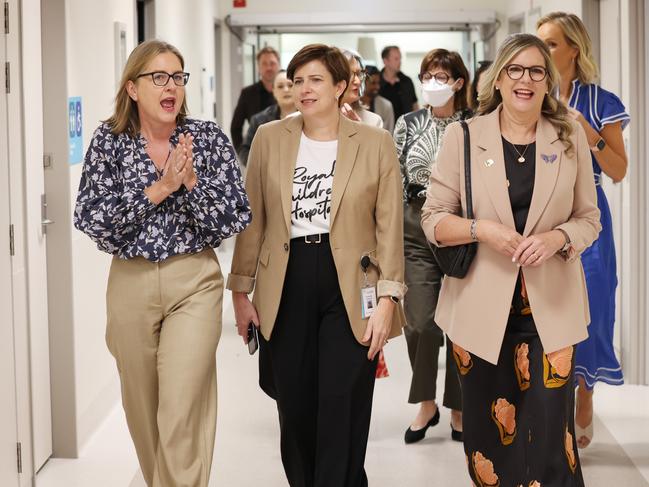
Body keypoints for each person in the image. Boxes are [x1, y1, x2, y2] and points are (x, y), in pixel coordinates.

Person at [421, 33, 601, 486]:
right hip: (480, 311)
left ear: (548, 82)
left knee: (548, 441)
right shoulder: (462, 136)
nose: (525, 79)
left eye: (537, 71)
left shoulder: (568, 135)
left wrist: (558, 237)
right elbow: (434, 220)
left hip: (551, 308)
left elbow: (589, 218)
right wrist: (484, 230)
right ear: (497, 79)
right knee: (489, 441)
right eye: (515, 70)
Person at [226, 44, 406, 487]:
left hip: (351, 280)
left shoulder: (374, 142)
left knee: (344, 401)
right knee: (296, 403)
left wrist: (388, 298)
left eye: (316, 80)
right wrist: (240, 292)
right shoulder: (270, 139)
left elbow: (390, 226)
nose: (304, 89)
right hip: (286, 279)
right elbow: (253, 221)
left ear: (341, 86)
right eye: (298, 80)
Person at [73, 40, 250, 487]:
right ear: (133, 88)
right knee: (142, 409)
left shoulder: (206, 140)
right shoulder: (109, 143)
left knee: (181, 408)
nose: (171, 86)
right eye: (159, 77)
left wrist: (190, 185)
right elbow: (93, 221)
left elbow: (234, 217)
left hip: (194, 281)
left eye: (178, 77)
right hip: (130, 283)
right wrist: (160, 188)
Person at [538, 12, 630, 450]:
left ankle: (586, 391)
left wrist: (590, 135)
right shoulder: (528, 96)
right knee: (543, 309)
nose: (545, 52)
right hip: (537, 214)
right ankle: (549, 401)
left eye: (552, 44)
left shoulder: (600, 101)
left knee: (592, 305)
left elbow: (618, 169)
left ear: (574, 49)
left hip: (588, 211)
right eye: (540, 44)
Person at [394, 48, 472, 444]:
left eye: (441, 77)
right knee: (421, 323)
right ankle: (427, 403)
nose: (432, 84)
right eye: (427, 76)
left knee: (461, 324)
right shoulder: (408, 123)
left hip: (460, 228)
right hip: (414, 227)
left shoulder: (475, 124)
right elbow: (392, 176)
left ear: (459, 83)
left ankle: (459, 407)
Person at [238, 69, 296, 166]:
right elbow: (244, 151)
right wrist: (263, 165)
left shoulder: (309, 117)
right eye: (280, 86)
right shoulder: (259, 120)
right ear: (273, 91)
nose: (286, 90)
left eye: (290, 85)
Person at [230, 46, 281, 152]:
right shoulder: (247, 93)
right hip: (258, 152)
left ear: (279, 65)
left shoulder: (290, 91)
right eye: (264, 64)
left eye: (272, 63)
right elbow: (235, 127)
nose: (269, 68)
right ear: (258, 67)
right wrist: (243, 154)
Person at [340, 50, 384, 128]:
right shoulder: (315, 117)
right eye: (350, 74)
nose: (358, 81)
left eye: (359, 74)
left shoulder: (374, 121)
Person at [379, 45, 419, 120]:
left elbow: (415, 106)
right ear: (385, 61)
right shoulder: (376, 82)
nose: (400, 62)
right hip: (382, 128)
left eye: (400, 58)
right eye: (396, 59)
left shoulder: (407, 81)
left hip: (406, 128)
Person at [361, 65, 395, 132]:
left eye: (378, 83)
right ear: (363, 83)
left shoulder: (386, 105)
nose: (377, 87)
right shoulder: (353, 104)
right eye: (373, 83)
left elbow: (390, 132)